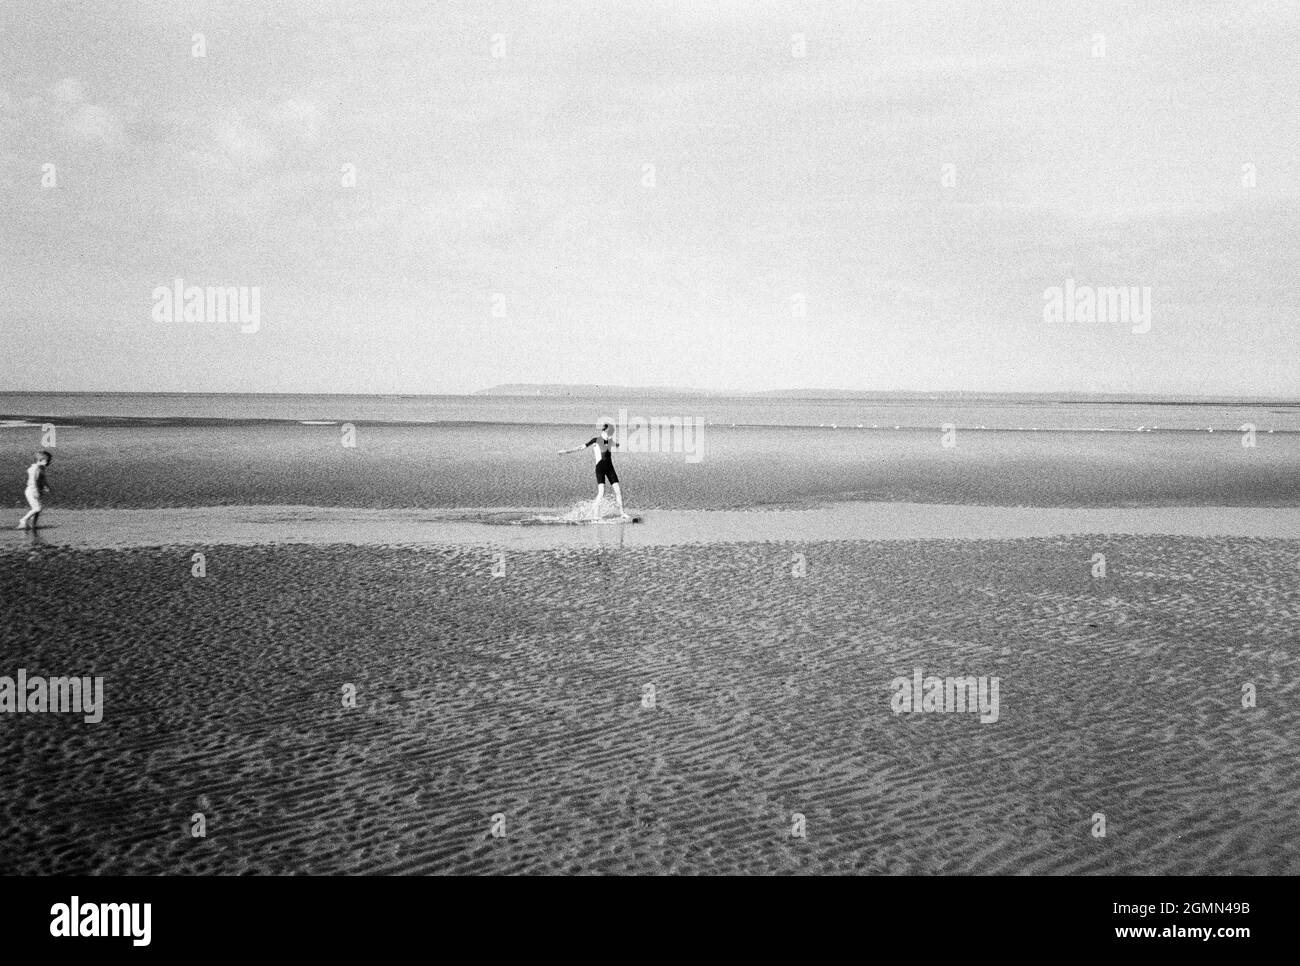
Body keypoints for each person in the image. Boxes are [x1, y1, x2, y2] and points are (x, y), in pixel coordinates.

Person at [558, 423, 629, 520]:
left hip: (610, 468)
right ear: (604, 431)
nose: (611, 433)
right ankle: (595, 515)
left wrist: (620, 444)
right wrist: (566, 451)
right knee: (601, 492)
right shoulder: (595, 440)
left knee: (618, 490)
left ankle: (622, 513)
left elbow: (616, 444)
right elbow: (580, 447)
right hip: (600, 468)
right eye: (610, 431)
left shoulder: (610, 441)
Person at [17, 451, 52, 530]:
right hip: (31, 491)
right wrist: (35, 490)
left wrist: (46, 486)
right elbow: (33, 481)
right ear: (40, 460)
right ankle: (23, 520)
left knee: (37, 510)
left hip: (37, 490)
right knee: (37, 508)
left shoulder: (42, 468)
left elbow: (44, 479)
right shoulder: (34, 469)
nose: (49, 463)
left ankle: (33, 525)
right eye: (47, 461)